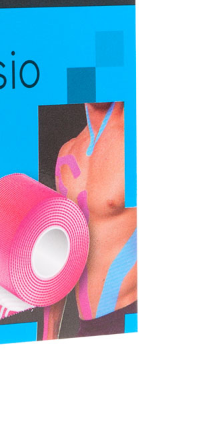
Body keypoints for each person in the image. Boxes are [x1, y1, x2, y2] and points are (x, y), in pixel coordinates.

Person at [45, 101, 137, 339]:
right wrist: (48, 339)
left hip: (132, 317)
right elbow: (60, 254)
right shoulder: (67, 153)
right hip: (87, 330)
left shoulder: (135, 138)